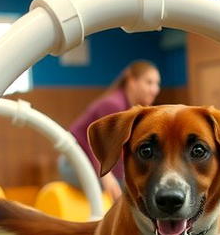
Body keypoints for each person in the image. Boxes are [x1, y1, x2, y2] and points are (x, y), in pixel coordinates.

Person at [60, 60, 161, 200]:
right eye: (149, 82)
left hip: (92, 164)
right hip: (74, 163)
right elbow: (98, 146)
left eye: (157, 84)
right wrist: (107, 178)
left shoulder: (131, 110)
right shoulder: (113, 105)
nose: (155, 89)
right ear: (132, 81)